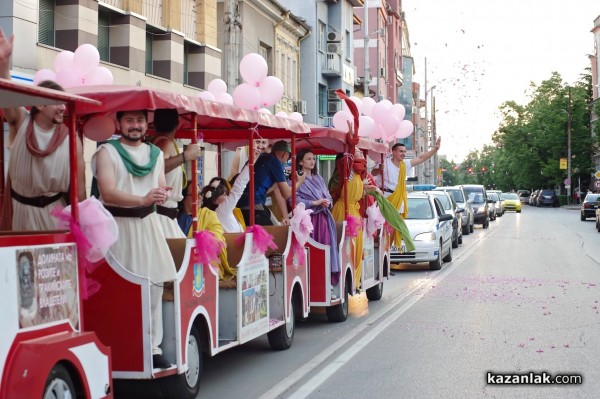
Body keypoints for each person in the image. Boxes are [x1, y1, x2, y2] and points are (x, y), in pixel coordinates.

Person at [92, 109, 176, 370]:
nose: (135, 126)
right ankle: (115, 346)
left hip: (149, 224)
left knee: (153, 287)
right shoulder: (107, 152)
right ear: (119, 124)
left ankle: (152, 349)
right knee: (119, 288)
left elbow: (159, 185)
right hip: (118, 227)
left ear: (146, 124)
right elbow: (107, 191)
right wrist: (142, 199)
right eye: (129, 121)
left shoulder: (157, 154)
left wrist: (161, 194)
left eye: (139, 120)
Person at [0, 29, 85, 231]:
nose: (63, 107)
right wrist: (3, 64)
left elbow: (79, 189)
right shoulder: (20, 122)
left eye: (64, 102)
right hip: (21, 215)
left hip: (55, 216)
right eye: (56, 102)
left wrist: (80, 225)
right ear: (39, 105)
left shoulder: (70, 137)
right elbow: (7, 95)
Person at [295, 149, 340, 298]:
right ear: (301, 161)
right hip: (308, 220)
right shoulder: (295, 178)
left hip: (324, 218)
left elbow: (327, 194)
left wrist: (327, 202)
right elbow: (293, 199)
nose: (312, 161)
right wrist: (315, 202)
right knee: (311, 252)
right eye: (308, 159)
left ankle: (328, 285)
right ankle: (311, 284)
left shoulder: (318, 177)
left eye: (313, 159)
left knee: (326, 248)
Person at [151, 108, 201, 238]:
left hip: (167, 214)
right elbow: (157, 168)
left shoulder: (161, 142)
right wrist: (185, 156)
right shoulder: (165, 143)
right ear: (177, 124)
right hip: (163, 215)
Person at [236, 140, 304, 226]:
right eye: (288, 158)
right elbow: (286, 194)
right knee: (273, 235)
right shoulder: (275, 163)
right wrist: (299, 182)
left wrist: (277, 184)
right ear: (285, 154)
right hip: (254, 206)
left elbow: (260, 188)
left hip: (240, 204)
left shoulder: (261, 157)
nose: (286, 161)